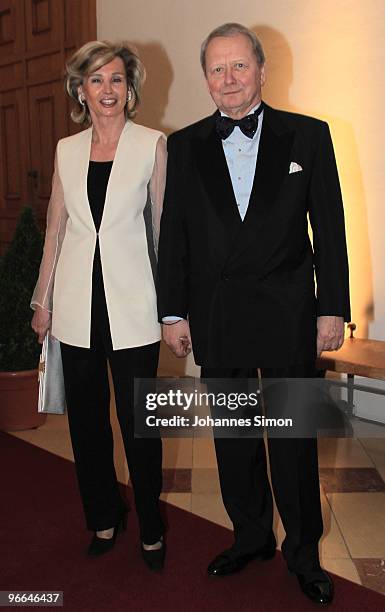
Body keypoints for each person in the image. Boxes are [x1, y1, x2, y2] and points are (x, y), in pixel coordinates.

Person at [157, 23, 350, 604]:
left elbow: (331, 229)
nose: (228, 79)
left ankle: (303, 553)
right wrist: (173, 312)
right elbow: (175, 236)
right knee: (235, 437)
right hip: (218, 313)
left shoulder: (308, 136)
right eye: (216, 69)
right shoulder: (185, 145)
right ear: (206, 79)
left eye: (239, 66)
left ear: (262, 71)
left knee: (293, 441)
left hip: (288, 311)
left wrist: (331, 307)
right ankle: (250, 537)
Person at [31, 40, 166, 571]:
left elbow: (162, 232)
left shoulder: (153, 144)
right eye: (95, 80)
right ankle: (104, 517)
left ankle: (152, 526)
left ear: (129, 89)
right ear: (80, 90)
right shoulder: (66, 150)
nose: (106, 90)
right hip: (75, 308)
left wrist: (174, 311)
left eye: (115, 79)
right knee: (87, 425)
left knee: (140, 425)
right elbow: (55, 232)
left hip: (134, 307)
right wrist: (42, 301)